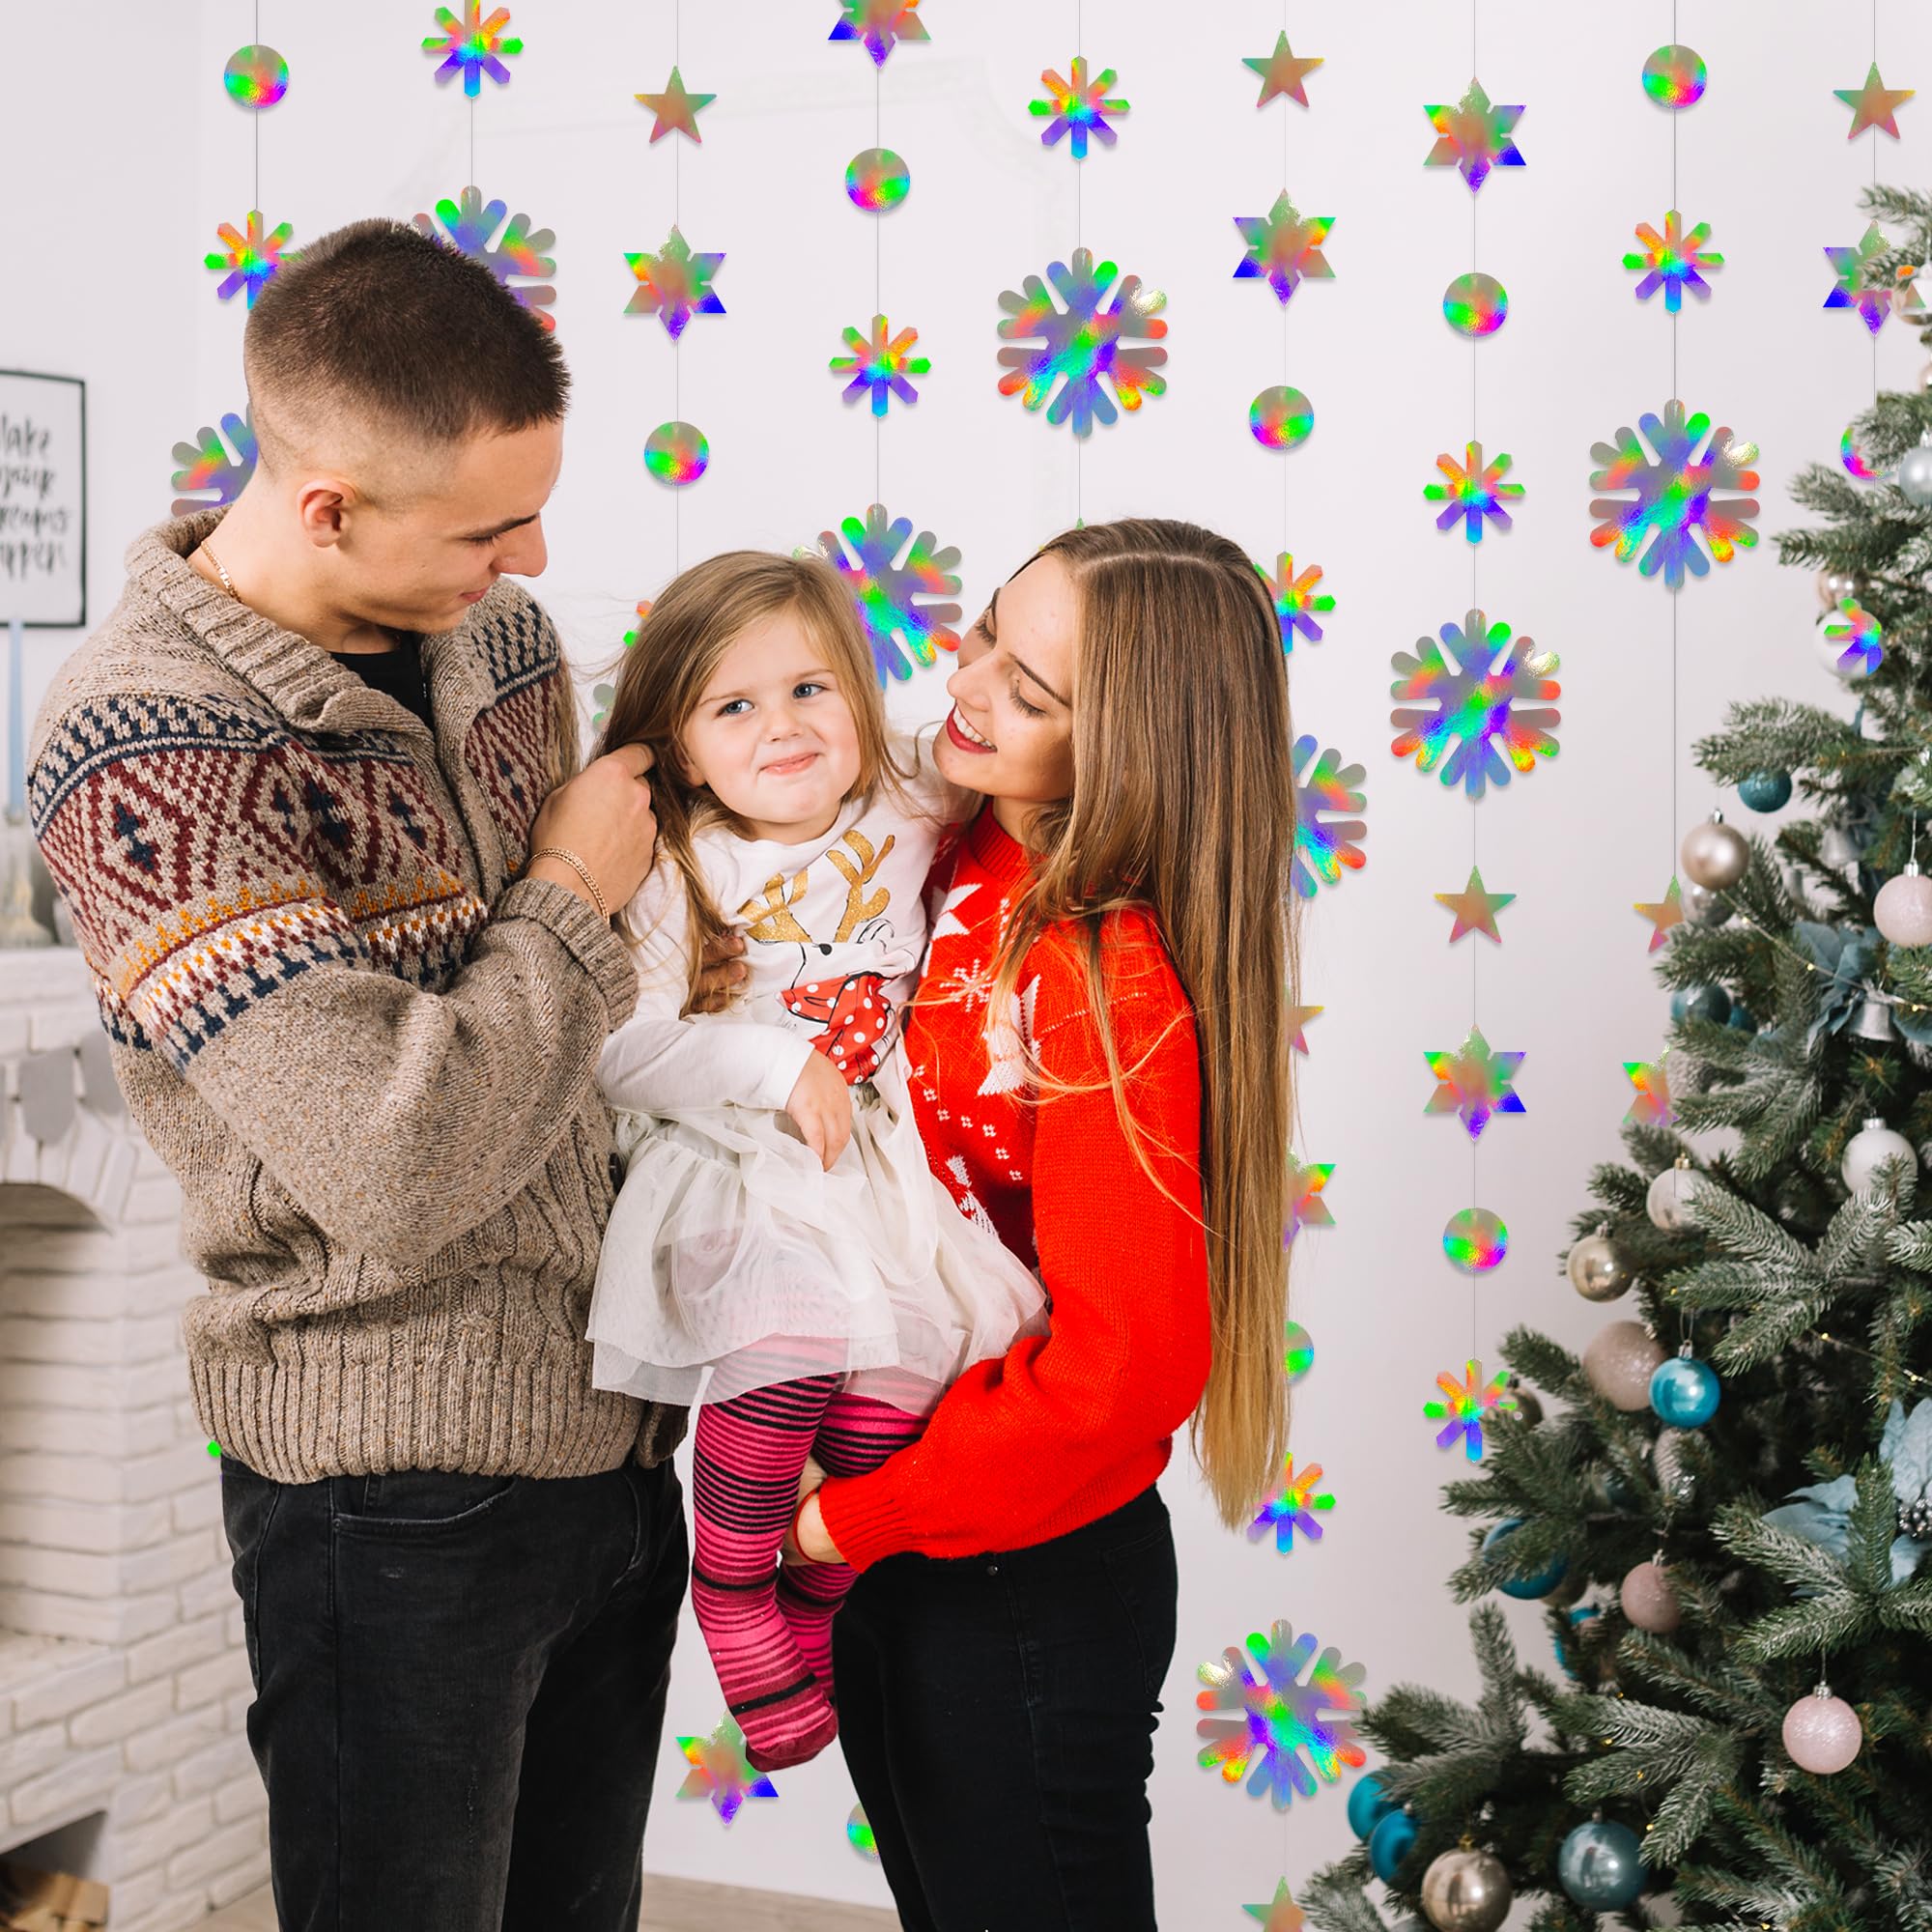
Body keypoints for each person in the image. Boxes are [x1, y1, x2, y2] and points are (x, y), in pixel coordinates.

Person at [26, 217, 687, 1932]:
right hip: (393, 1499)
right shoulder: (146, 743)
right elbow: (397, 1157)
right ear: (326, 502)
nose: (530, 553)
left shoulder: (502, 644)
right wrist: (567, 898)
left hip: (611, 1443)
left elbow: (572, 1043)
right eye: (487, 524)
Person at [768, 520, 1301, 1929]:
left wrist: (845, 1522)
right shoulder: (937, 852)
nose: (971, 679)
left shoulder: (1097, 970)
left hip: (1007, 1567)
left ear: (1128, 750)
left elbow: (1126, 1369)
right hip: (905, 1532)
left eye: (1034, 688)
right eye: (991, 630)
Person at [587, 549, 1045, 1772]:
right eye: (733, 706)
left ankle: (813, 1597)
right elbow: (621, 1048)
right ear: (683, 748)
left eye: (809, 690)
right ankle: (731, 1583)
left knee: (906, 1370)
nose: (781, 726)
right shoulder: (682, 864)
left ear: (858, 693)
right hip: (742, 1155)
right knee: (789, 1337)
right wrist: (770, 1068)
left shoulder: (908, 798)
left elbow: (1034, 782)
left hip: (877, 1155)